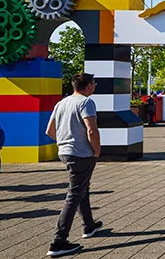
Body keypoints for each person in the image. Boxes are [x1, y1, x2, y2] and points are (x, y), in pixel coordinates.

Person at [45, 73, 104, 257]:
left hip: (65, 152)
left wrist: (64, 143)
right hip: (81, 154)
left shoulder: (62, 103)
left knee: (82, 188)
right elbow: (91, 130)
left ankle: (89, 225)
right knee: (74, 194)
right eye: (94, 83)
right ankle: (58, 241)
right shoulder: (86, 102)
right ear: (88, 85)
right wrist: (96, 150)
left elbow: (50, 130)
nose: (94, 86)